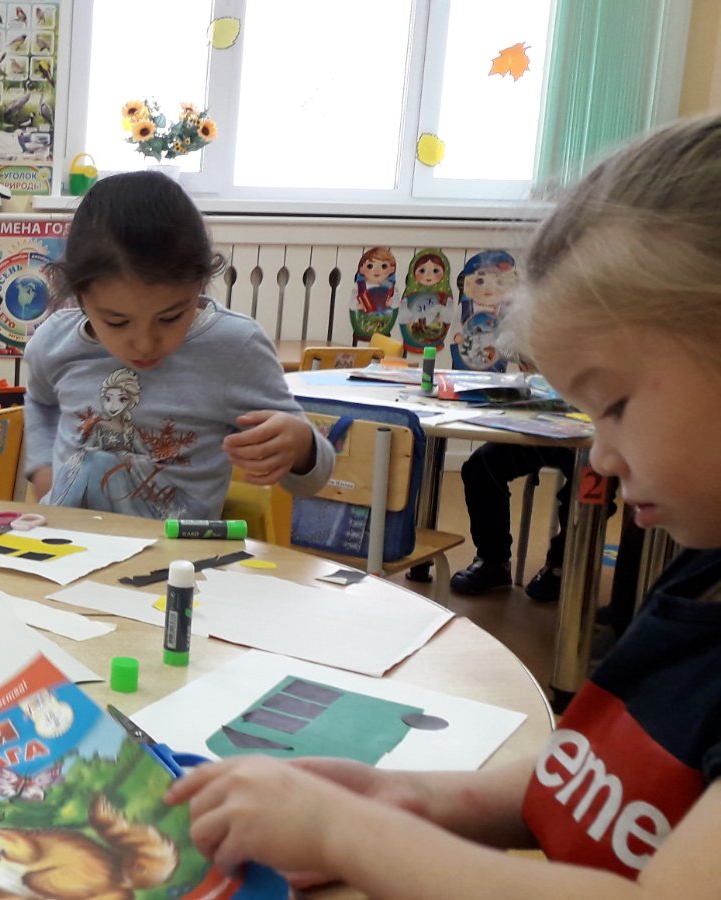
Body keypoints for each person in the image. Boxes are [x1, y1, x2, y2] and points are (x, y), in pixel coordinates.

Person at [167, 114, 721, 895]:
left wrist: (346, 832)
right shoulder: (702, 572)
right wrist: (411, 800)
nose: (598, 455)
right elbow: (591, 777)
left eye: (616, 405)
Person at [22, 171, 334, 519]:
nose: (145, 344)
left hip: (173, 548)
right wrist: (42, 468)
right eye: (117, 322)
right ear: (80, 296)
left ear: (200, 283)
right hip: (69, 542)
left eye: (170, 317)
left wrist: (302, 447)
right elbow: (41, 400)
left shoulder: (234, 349)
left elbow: (315, 478)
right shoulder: (56, 341)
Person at [450, 443, 577, 601]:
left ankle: (562, 565)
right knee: (481, 465)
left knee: (587, 475)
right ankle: (494, 562)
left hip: (596, 444)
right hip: (545, 437)